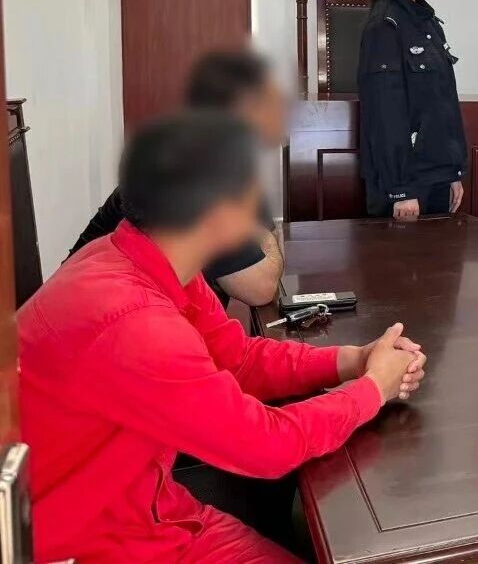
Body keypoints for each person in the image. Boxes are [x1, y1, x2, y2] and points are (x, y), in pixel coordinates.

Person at [19, 111, 427, 563]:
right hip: (93, 542)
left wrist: (351, 360)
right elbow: (266, 445)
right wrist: (372, 390)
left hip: (151, 505)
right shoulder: (136, 324)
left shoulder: (145, 259)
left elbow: (238, 360)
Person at [67, 48, 287, 307]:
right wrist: (261, 236)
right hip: (99, 316)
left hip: (123, 309)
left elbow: (268, 242)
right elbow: (261, 288)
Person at [358, 0, 467, 220]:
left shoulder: (428, 22)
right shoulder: (385, 26)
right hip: (406, 183)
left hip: (436, 174)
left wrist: (452, 172)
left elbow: (443, 104)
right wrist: (401, 189)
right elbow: (385, 114)